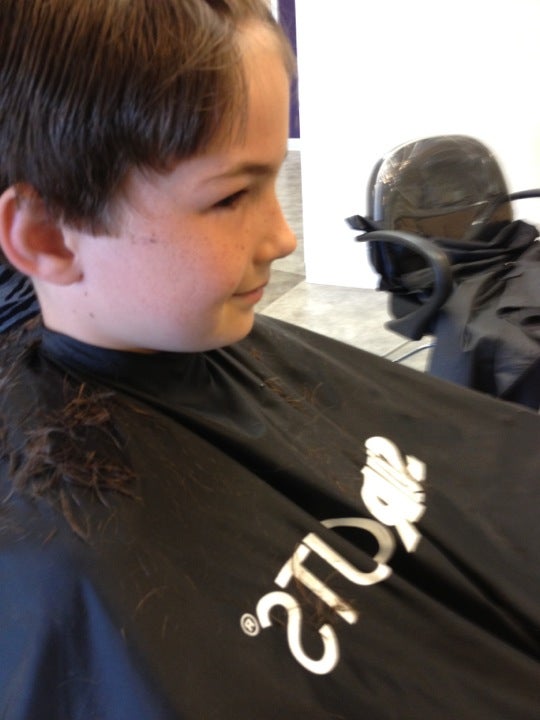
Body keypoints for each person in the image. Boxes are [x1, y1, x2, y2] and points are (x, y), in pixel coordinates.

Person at [0, 1, 538, 718]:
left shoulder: (219, 346)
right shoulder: (72, 572)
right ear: (48, 237)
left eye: (274, 180)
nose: (285, 238)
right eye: (231, 197)